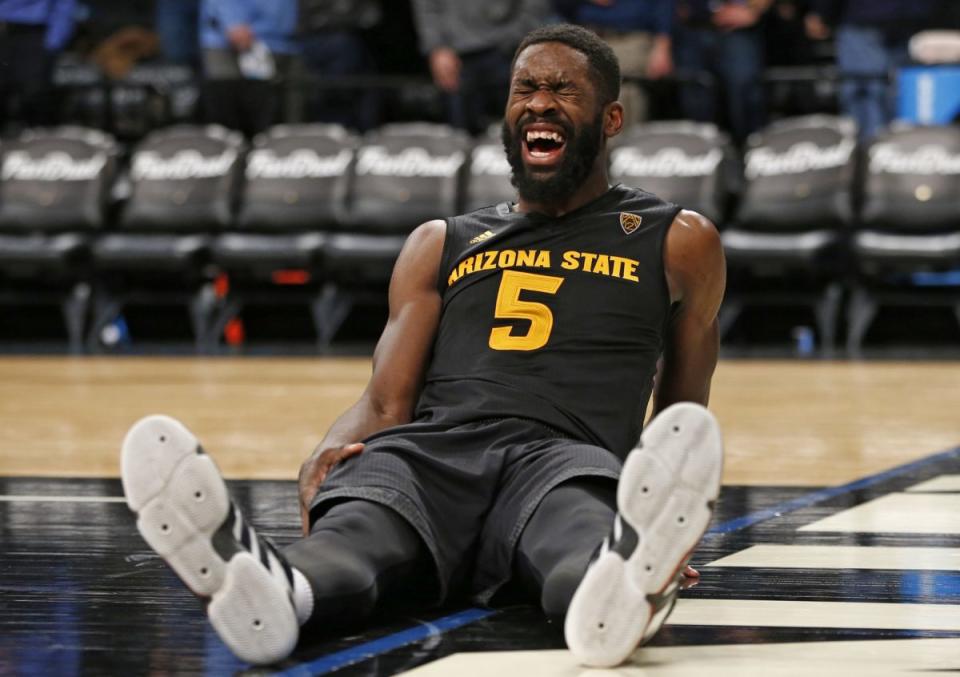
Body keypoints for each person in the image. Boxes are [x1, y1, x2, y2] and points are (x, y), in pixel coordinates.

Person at [120, 24, 726, 668]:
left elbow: (683, 423)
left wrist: (666, 509)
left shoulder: (675, 239)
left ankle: (628, 584)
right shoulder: (442, 241)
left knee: (575, 544)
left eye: (562, 90)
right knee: (356, 537)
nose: (540, 103)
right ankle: (276, 589)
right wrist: (328, 450)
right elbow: (384, 403)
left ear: (611, 119)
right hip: (433, 453)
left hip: (563, 458)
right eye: (525, 88)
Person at [410, 0, 555, 135]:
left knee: (521, 136)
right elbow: (426, 6)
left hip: (508, 51)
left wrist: (519, 36)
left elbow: (535, 5)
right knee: (459, 138)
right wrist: (436, 46)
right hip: (455, 54)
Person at [806, 0, 936, 140]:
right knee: (894, 92)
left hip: (865, 18)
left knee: (867, 91)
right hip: (909, 19)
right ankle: (894, 150)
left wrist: (821, 12)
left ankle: (870, 151)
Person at [555, 0, 676, 126]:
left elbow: (664, 6)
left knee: (623, 91)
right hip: (587, 36)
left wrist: (663, 46)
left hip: (631, 37)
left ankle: (620, 143)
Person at [674, 0, 771, 144]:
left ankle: (750, 148)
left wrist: (754, 10)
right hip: (693, 26)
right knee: (694, 95)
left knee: (744, 88)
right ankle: (700, 152)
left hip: (739, 29)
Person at [199, 0, 300, 137]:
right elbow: (235, 30)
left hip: (279, 41)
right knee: (226, 128)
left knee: (277, 126)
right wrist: (232, 21)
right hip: (224, 41)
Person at [0, 0, 76, 130]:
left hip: (33, 33)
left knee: (32, 95)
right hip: (5, 31)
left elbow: (65, 7)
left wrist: (52, 44)